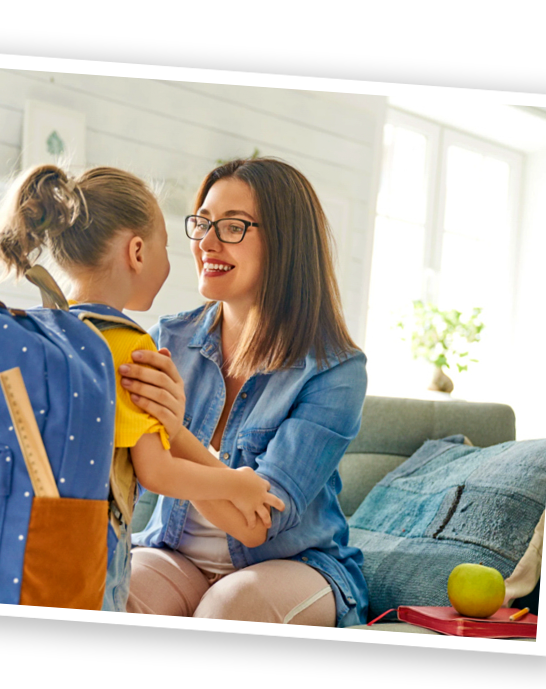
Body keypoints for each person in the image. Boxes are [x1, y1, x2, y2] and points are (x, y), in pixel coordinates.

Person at [0, 163, 285, 612]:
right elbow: (158, 472)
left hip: (21, 534)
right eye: (166, 245)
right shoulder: (127, 345)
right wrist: (237, 484)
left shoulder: (39, 332)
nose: (179, 256)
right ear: (137, 252)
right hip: (89, 549)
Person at [118, 157, 370, 627]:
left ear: (285, 244)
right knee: (116, 587)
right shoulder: (164, 341)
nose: (206, 243)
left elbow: (257, 525)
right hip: (176, 556)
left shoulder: (336, 371)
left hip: (293, 566)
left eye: (232, 227)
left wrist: (176, 432)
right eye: (203, 224)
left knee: (230, 607)